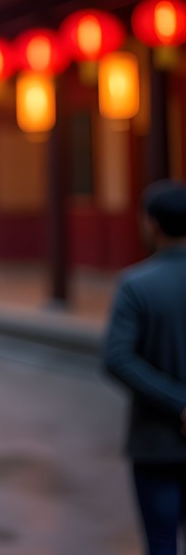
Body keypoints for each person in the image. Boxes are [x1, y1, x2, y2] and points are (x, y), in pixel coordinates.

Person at [104, 180, 186, 555]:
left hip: (157, 440)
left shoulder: (136, 284)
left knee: (162, 543)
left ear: (151, 223)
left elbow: (117, 358)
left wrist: (178, 401)